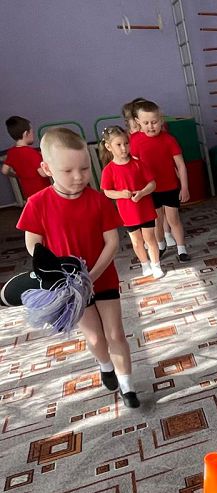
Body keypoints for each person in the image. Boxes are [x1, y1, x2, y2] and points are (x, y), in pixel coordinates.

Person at [11, 127, 140, 407]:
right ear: (47, 169)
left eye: (84, 168)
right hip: (70, 288)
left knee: (115, 333)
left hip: (102, 278)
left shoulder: (99, 200)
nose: (79, 176)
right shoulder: (37, 203)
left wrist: (90, 276)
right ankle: (105, 365)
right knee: (94, 336)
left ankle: (128, 386)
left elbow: (112, 243)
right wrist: (50, 267)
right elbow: (33, 243)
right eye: (68, 171)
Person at [99, 126, 163, 280]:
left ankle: (156, 265)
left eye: (126, 143)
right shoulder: (109, 170)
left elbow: (152, 184)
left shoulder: (138, 163)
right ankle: (145, 264)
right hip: (128, 212)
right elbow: (107, 191)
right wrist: (121, 194)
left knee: (150, 238)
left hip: (145, 208)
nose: (124, 148)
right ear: (108, 147)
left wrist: (142, 193)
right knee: (136, 241)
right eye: (119, 145)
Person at [130, 100, 190, 261]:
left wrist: (184, 187)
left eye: (154, 122)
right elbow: (134, 166)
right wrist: (138, 190)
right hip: (150, 190)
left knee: (173, 219)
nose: (151, 126)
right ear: (138, 122)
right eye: (146, 123)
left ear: (161, 120)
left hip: (170, 187)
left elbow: (181, 165)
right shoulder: (135, 140)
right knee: (157, 221)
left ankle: (181, 249)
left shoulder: (169, 140)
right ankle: (161, 245)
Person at [1, 116, 50, 200]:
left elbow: (4, 171)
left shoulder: (11, 152)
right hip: (43, 192)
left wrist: (17, 175)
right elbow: (43, 174)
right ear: (26, 133)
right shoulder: (32, 153)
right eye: (32, 132)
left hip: (28, 193)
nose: (33, 135)